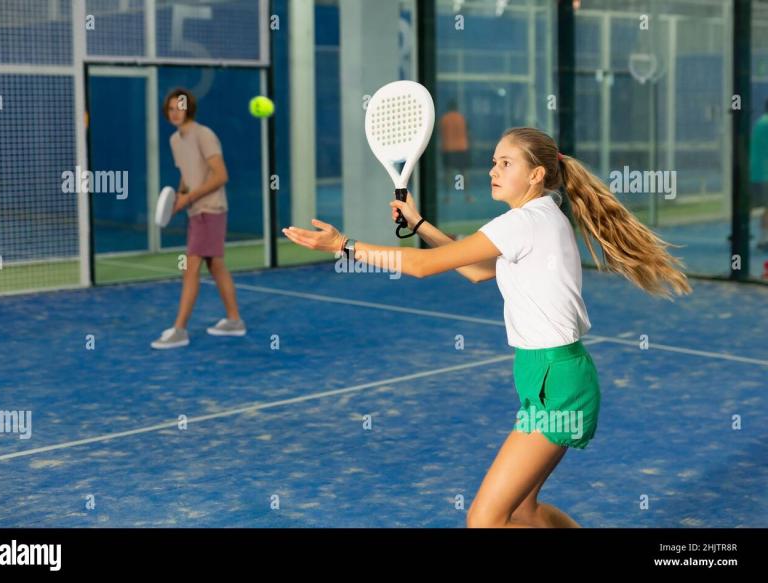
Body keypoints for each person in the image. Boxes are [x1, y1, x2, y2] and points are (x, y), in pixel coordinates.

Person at [282, 127, 692, 527]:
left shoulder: (522, 223)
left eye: (506, 162)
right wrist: (419, 223)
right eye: (493, 162)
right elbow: (476, 270)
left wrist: (343, 246)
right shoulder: (539, 217)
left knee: (484, 518)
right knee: (525, 512)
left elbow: (423, 267)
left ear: (536, 174)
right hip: (552, 376)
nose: (493, 171)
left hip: (556, 382)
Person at [151, 88, 247, 349]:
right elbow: (187, 173)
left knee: (191, 267)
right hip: (196, 210)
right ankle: (235, 320)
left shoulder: (204, 135)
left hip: (211, 209)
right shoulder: (175, 140)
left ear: (189, 109)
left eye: (179, 107)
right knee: (215, 265)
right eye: (171, 109)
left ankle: (180, 329)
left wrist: (189, 198)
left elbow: (220, 175)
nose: (175, 113)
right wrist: (178, 198)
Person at [440, 100, 475, 204]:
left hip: (448, 149)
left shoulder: (444, 119)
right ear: (457, 108)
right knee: (464, 173)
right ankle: (468, 197)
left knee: (448, 174)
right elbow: (469, 134)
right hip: (462, 148)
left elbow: (440, 134)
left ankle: (447, 197)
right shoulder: (462, 118)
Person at [750, 98, 768, 251]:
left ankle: (762, 237)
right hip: (764, 173)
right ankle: (763, 239)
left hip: (757, 172)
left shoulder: (761, 121)